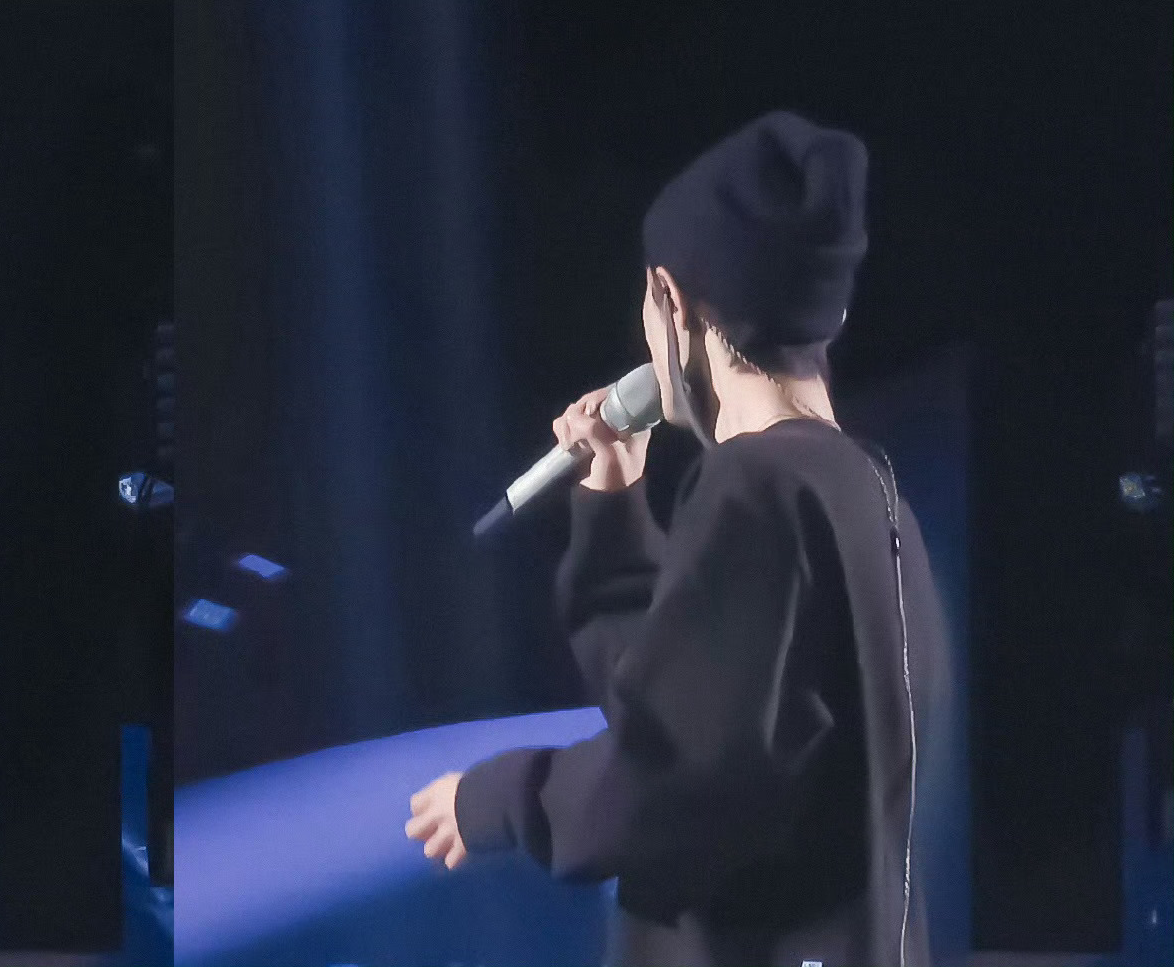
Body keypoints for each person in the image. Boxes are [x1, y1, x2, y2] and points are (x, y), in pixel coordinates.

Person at [406, 111, 948, 965]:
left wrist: (500, 797)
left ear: (670, 299)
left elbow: (669, 775)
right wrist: (614, 510)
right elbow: (700, 712)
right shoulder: (863, 489)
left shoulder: (757, 487)